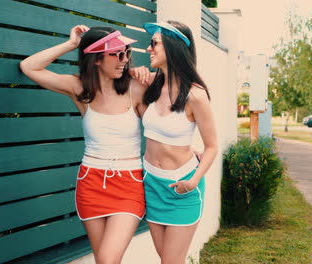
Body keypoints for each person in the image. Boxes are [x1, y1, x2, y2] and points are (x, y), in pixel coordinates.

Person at [20, 25, 150, 263]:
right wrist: (72, 44)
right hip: (90, 183)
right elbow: (29, 66)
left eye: (127, 53)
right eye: (117, 54)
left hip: (128, 185)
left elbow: (168, 115)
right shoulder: (79, 88)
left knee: (108, 259)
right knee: (103, 260)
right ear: (96, 59)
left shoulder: (137, 88)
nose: (125, 60)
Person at [141, 21, 218, 263]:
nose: (148, 48)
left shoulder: (195, 95)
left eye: (154, 43)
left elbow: (212, 145)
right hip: (151, 184)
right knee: (167, 259)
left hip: (181, 187)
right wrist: (136, 72)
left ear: (174, 47)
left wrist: (193, 181)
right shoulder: (151, 85)